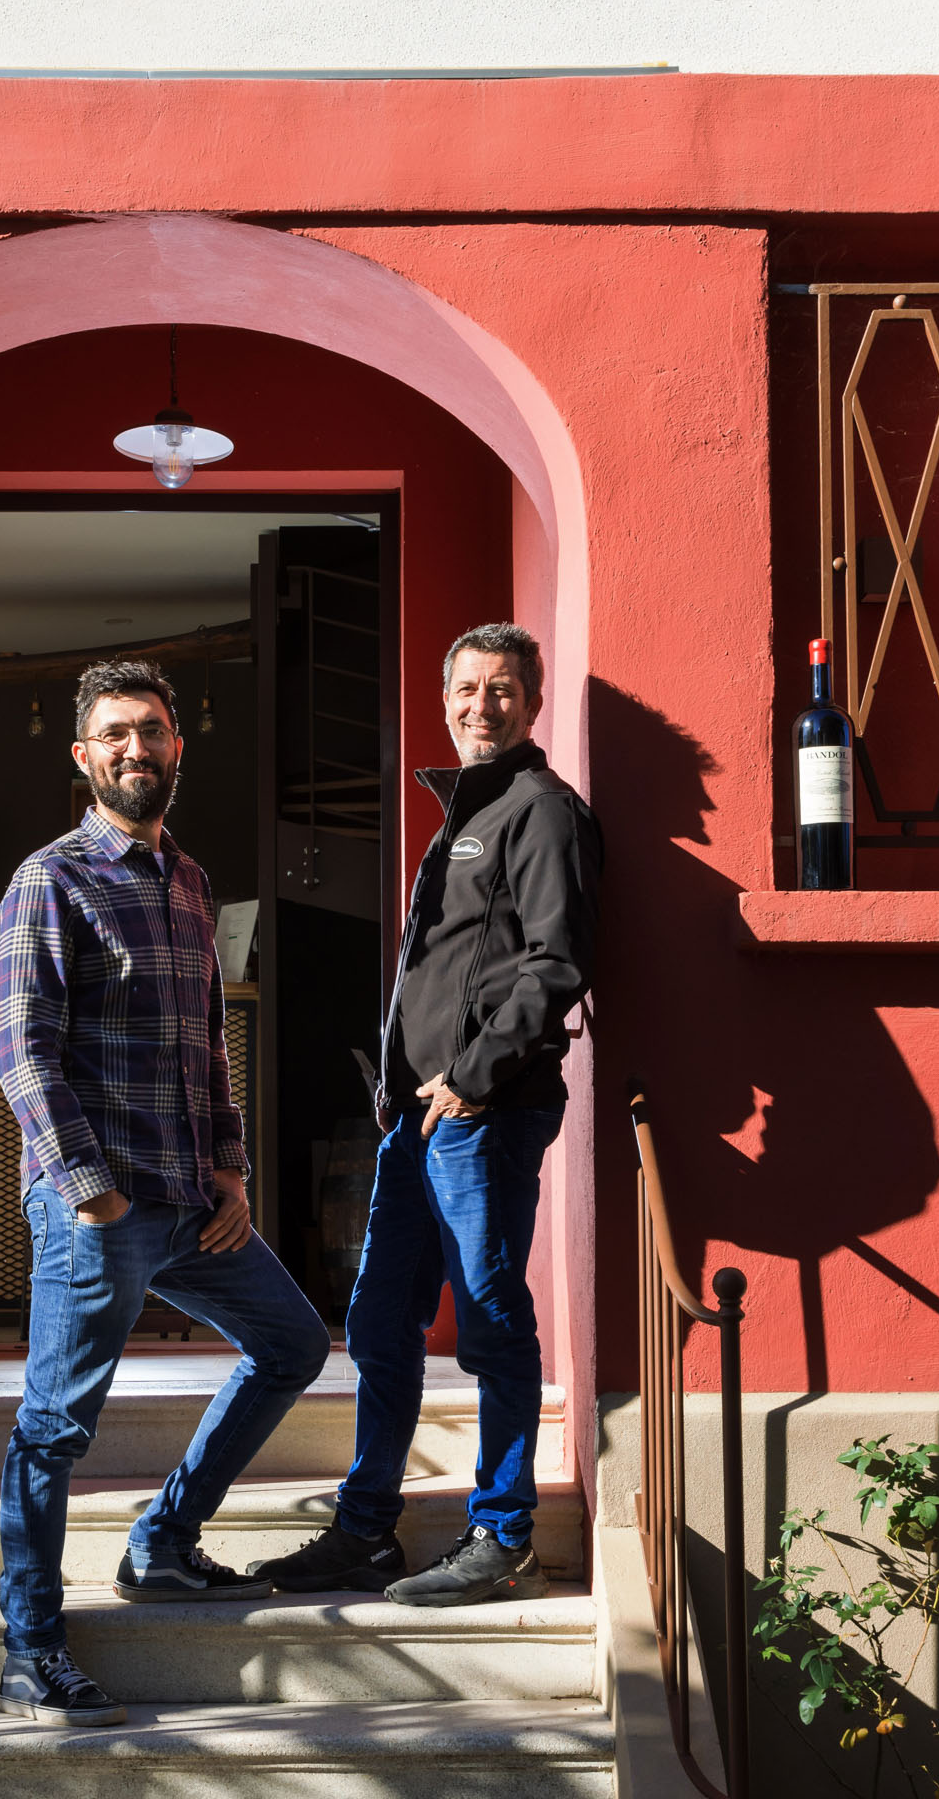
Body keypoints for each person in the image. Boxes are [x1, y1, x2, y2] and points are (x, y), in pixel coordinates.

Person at [0, 658, 331, 1725]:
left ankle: (163, 1542)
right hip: (100, 1207)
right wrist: (89, 1191)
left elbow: (206, 1050)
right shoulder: (49, 879)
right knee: (53, 1426)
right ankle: (29, 1647)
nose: (135, 748)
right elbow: (20, 1051)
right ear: (84, 755)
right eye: (114, 734)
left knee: (292, 1343)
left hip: (192, 1199)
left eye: (152, 728)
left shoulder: (188, 881)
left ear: (178, 746)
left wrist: (229, 1163)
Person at [255, 623, 602, 1607]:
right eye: (464, 688)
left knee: (489, 1321)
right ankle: (366, 1529)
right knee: (376, 1321)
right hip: (420, 1119)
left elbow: (556, 960)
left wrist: (474, 1073)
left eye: (499, 688)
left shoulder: (541, 811)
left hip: (484, 1111)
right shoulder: (468, 814)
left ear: (530, 701)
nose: (478, 705)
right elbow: (437, 964)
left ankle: (500, 1533)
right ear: (443, 696)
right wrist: (395, 1083)